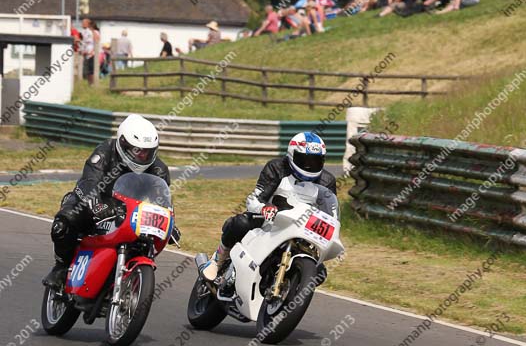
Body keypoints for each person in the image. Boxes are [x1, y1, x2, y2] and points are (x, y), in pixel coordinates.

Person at [43, 114, 172, 288]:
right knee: (63, 224)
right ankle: (61, 268)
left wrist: (170, 224)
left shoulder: (159, 170)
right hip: (96, 204)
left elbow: (162, 202)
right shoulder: (105, 152)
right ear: (123, 144)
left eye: (147, 152)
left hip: (131, 214)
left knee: (146, 243)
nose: (142, 156)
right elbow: (88, 181)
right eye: (137, 151)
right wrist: (96, 204)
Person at [200, 132, 336, 283]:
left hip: (301, 231)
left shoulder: (327, 181)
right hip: (269, 221)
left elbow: (330, 217)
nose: (309, 165)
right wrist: (264, 208)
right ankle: (217, 260)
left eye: (315, 161)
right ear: (292, 155)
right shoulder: (277, 168)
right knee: (241, 223)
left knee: (319, 271)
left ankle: (290, 288)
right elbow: (253, 200)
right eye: (304, 160)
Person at [80, 17, 95, 84]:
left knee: (91, 69)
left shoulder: (89, 32)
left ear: (88, 24)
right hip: (86, 52)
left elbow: (90, 42)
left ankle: (92, 83)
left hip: (90, 52)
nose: (82, 24)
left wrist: (90, 51)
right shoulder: (83, 32)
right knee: (87, 69)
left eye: (83, 23)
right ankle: (89, 83)